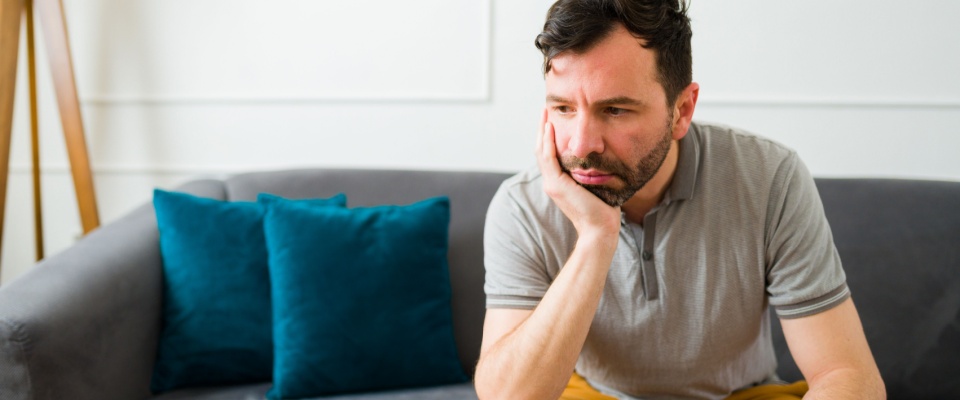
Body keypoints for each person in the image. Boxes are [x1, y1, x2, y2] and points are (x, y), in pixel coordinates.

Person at [473, 1, 886, 399]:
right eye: (562, 108)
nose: (582, 144)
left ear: (682, 109)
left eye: (615, 110)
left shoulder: (770, 178)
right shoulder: (523, 206)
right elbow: (508, 396)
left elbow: (845, 374)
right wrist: (596, 237)